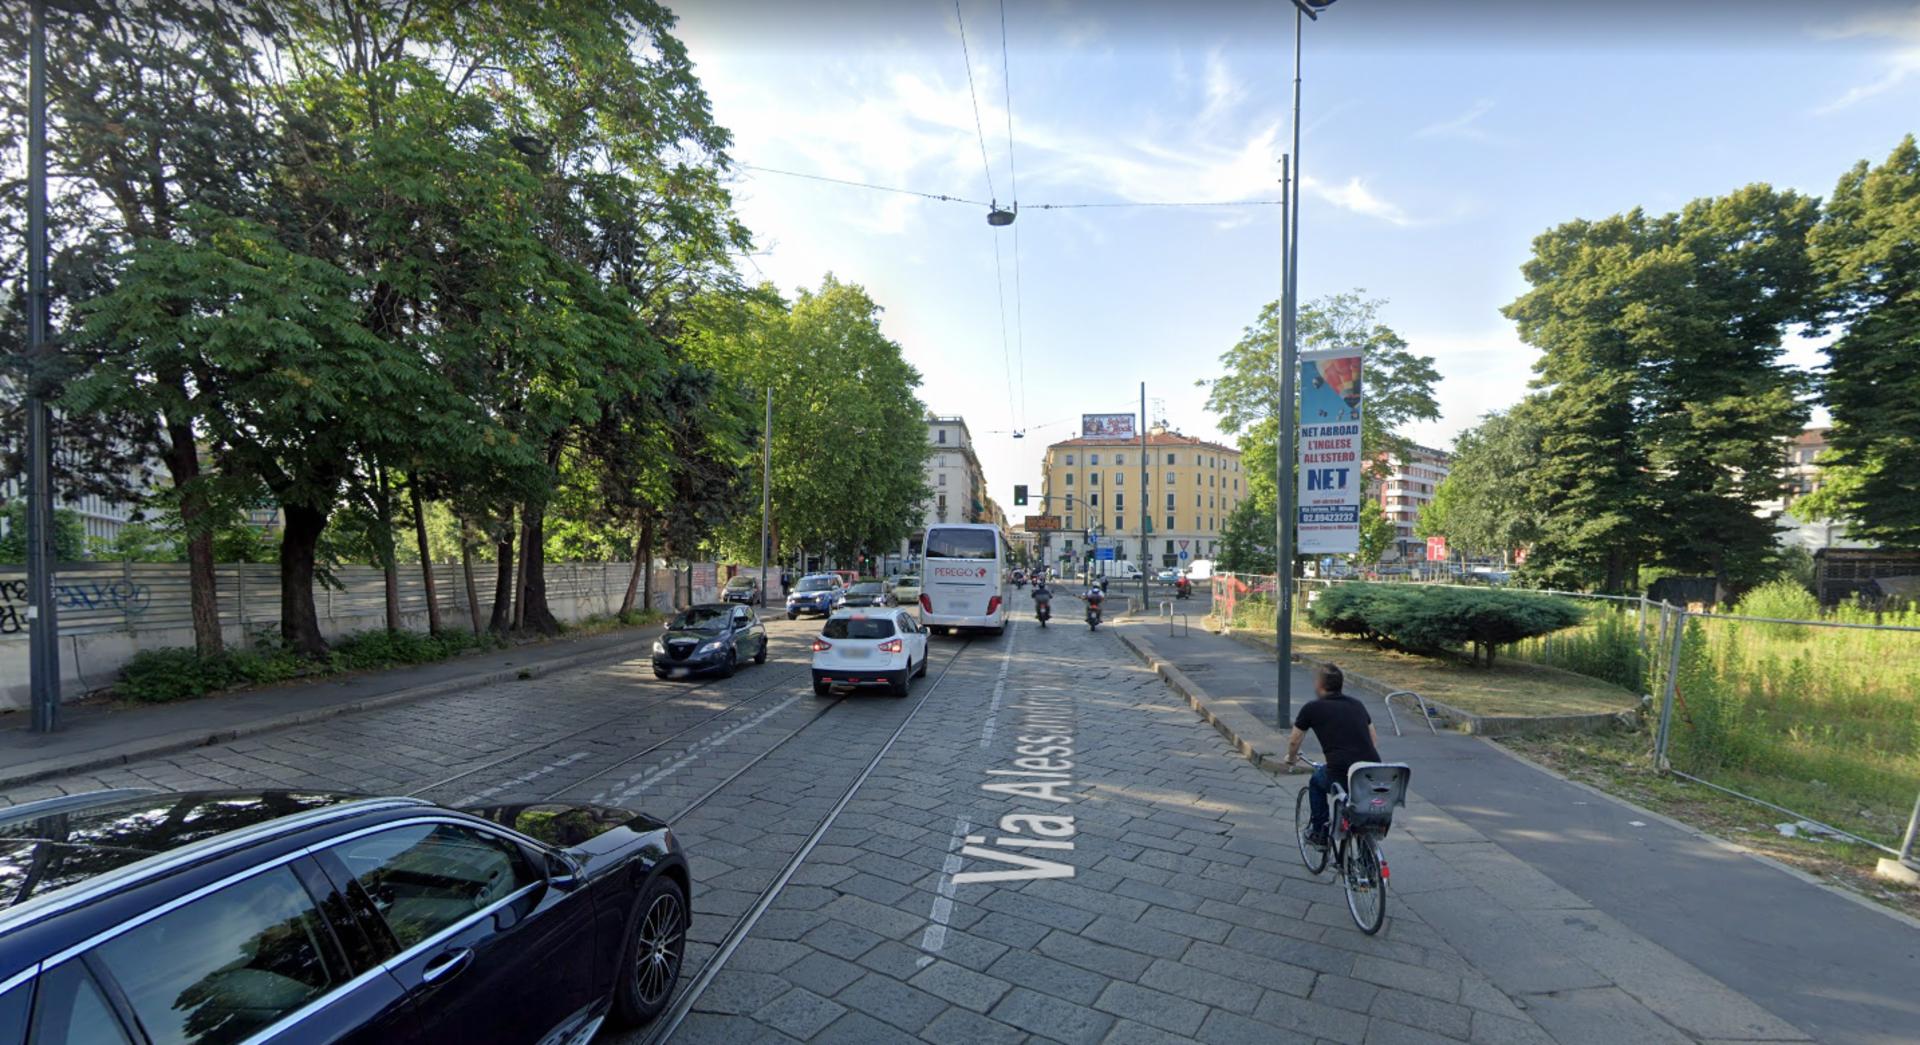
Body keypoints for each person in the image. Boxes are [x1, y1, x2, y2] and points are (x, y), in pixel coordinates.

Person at [1284, 664, 1381, 847]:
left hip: (1341, 773)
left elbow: (1294, 740)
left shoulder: (1312, 708)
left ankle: (1319, 833)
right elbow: (1373, 740)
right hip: (1370, 772)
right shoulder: (1357, 705)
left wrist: (1291, 758)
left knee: (1316, 781)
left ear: (1320, 685)